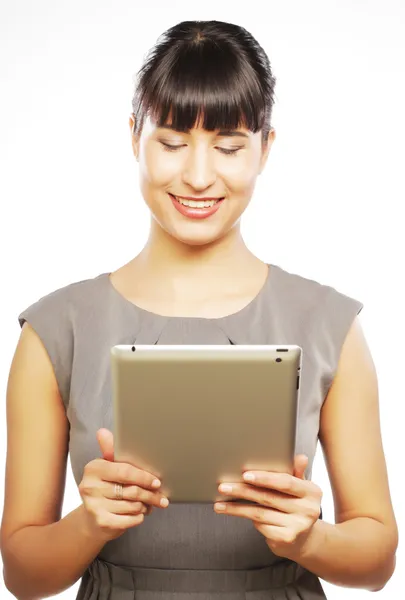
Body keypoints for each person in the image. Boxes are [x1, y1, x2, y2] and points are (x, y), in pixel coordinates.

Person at [1, 19, 398, 600]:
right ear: (133, 136)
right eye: (171, 142)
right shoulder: (56, 330)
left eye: (230, 146)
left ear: (266, 148)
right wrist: (90, 522)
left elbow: (379, 560)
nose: (198, 175)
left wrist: (308, 539)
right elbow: (22, 575)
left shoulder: (329, 325)